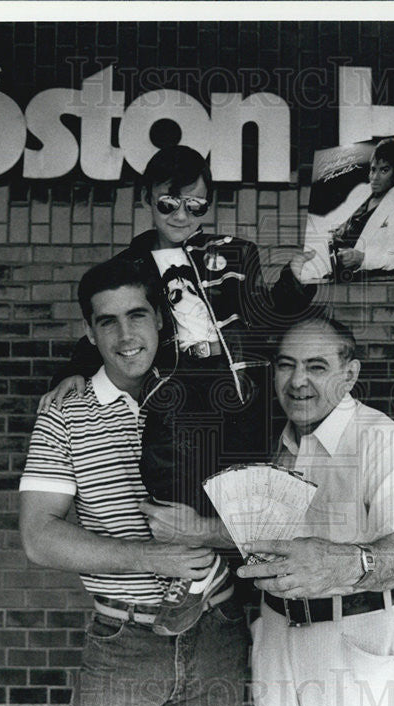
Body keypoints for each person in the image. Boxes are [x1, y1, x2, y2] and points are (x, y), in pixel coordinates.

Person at [142, 315, 394, 706]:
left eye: (316, 366)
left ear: (349, 375)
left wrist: (340, 563)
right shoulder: (281, 440)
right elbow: (267, 537)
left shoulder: (381, 440)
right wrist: (200, 529)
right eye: (286, 364)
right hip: (277, 634)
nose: (297, 381)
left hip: (354, 637)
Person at [40, 144, 317, 542]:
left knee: (248, 493)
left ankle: (244, 588)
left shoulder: (237, 254)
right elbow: (112, 325)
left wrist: (296, 284)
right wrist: (73, 370)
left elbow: (265, 317)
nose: (181, 216)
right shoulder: (129, 266)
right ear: (147, 199)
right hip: (174, 383)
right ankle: (189, 580)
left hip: (238, 386)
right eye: (168, 204)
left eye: (195, 205)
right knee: (171, 478)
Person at [19, 255, 249, 706]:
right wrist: (151, 558)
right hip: (124, 640)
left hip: (219, 635)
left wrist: (205, 533)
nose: (125, 336)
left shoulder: (210, 396)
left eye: (137, 315)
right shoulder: (64, 413)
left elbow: (268, 521)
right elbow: (38, 537)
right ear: (89, 331)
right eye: (108, 322)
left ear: (160, 319)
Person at [329, 136, 394, 276]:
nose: (374, 177)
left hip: (356, 280)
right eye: (373, 169)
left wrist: (362, 258)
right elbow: (334, 223)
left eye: (384, 170)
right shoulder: (361, 191)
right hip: (329, 270)